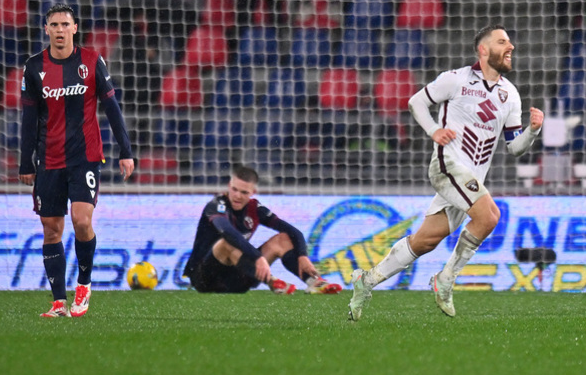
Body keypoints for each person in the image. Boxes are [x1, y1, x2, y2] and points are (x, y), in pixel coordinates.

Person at [348, 24, 543, 320]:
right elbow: (416, 102)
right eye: (502, 41)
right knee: (489, 216)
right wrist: (434, 130)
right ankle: (446, 279)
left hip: (469, 181)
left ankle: (366, 281)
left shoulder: (510, 94)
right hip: (446, 166)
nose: (510, 47)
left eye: (510, 42)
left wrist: (533, 131)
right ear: (483, 49)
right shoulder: (456, 79)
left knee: (426, 240)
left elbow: (514, 148)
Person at [20, 4, 136, 318]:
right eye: (53, 24)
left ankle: (83, 285)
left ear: (75, 28)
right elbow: (28, 119)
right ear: (46, 29)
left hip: (85, 157)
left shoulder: (91, 61)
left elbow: (112, 108)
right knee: (51, 229)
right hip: (49, 158)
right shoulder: (34, 67)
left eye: (64, 24)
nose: (59, 30)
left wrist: (125, 150)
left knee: (82, 221)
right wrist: (25, 162)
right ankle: (59, 301)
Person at [182, 165, 342, 294]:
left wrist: (302, 255)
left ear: (252, 193)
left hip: (237, 279)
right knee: (226, 243)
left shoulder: (254, 208)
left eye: (244, 192)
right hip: (205, 279)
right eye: (234, 189)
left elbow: (294, 232)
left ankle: (314, 282)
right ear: (229, 186)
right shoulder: (217, 205)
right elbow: (227, 233)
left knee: (283, 239)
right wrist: (258, 258)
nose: (237, 196)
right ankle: (273, 282)